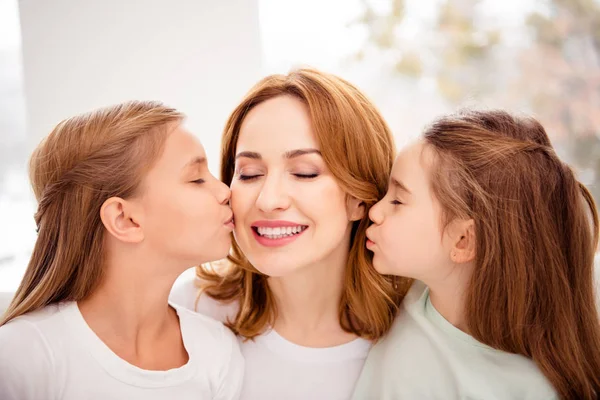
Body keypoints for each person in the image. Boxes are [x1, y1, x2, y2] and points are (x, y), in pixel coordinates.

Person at [170, 68, 411, 400]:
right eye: (249, 174)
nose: (268, 201)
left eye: (304, 173)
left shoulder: (419, 326)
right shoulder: (190, 310)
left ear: (360, 198)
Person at [0, 101, 244, 400]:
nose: (225, 191)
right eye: (196, 179)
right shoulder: (25, 356)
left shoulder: (217, 350)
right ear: (124, 219)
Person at [353, 110, 600, 400]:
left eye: (397, 200)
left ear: (462, 240)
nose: (374, 211)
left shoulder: (530, 388)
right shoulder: (404, 295)